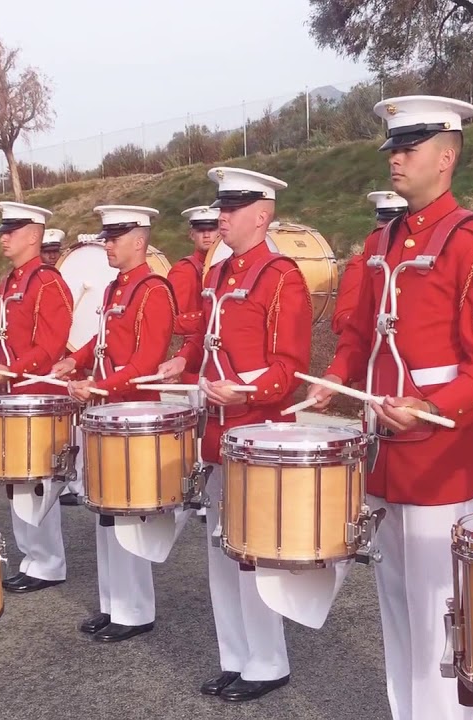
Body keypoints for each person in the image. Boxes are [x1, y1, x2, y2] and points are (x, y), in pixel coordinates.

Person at [305, 95, 473, 720]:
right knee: (394, 604)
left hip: (438, 453)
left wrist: (430, 407)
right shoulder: (382, 241)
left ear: (447, 157)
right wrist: (336, 379)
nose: (395, 160)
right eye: (393, 149)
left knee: (436, 613)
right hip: (383, 451)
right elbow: (360, 335)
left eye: (409, 148)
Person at [157, 166, 312, 702]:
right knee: (221, 551)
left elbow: (289, 366)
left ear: (262, 214)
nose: (221, 215)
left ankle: (268, 662)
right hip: (218, 432)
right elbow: (206, 338)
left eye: (234, 207)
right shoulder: (219, 275)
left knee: (253, 553)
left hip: (258, 430)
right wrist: (184, 360)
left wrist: (246, 391)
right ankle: (235, 656)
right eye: (221, 206)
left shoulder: (281, 276)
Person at [50, 204, 176, 642]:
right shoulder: (113, 289)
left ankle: (136, 609)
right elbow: (99, 340)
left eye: (114, 237)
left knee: (128, 513)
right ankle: (112, 602)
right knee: (104, 510)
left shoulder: (153, 290)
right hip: (105, 413)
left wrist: (99, 385)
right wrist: (74, 360)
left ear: (138, 241)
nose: (107, 243)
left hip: (132, 414)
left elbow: (147, 359)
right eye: (106, 236)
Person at [0, 201, 74, 594]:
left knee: (36, 481)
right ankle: (32, 557)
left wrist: (14, 369)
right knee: (15, 479)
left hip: (37, 394)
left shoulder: (48, 281)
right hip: (13, 391)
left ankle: (48, 563)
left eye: (11, 231)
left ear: (33, 236)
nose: (4, 238)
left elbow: (52, 343)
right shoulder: (10, 282)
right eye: (4, 231)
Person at [330, 190, 407, 336]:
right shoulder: (361, 264)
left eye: (396, 222)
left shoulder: (415, 263)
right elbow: (341, 320)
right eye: (384, 222)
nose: (388, 228)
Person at [170, 205, 220, 338]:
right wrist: (211, 317)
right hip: (196, 347)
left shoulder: (227, 264)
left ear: (220, 232)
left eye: (212, 229)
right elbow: (171, 320)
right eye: (200, 230)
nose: (206, 235)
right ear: (192, 235)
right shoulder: (184, 270)